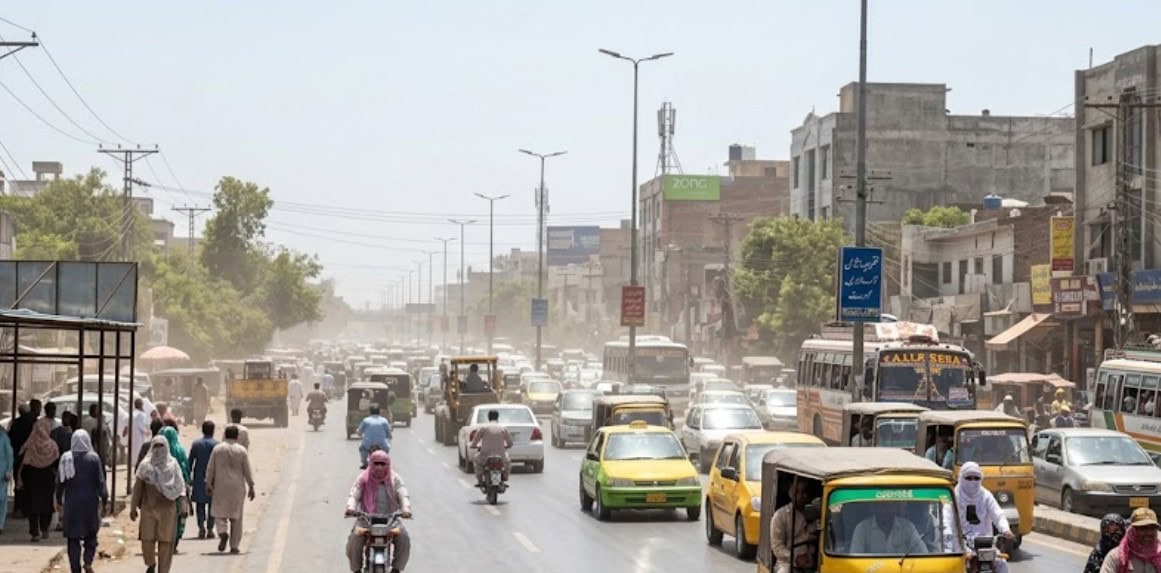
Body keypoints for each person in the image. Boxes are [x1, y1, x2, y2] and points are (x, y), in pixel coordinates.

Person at [344, 450, 412, 573]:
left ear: (388, 464)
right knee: (354, 540)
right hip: (366, 520)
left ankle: (396, 569)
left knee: (404, 538)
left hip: (391, 520)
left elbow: (403, 494)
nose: (379, 467)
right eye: (376, 463)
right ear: (371, 464)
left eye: (382, 464)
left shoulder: (394, 478)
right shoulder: (363, 478)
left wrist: (406, 509)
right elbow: (354, 494)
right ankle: (357, 570)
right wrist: (350, 508)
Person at [131, 436, 187, 573]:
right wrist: (133, 507)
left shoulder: (173, 465)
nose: (159, 449)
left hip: (168, 508)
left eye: (162, 446)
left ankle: (163, 570)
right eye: (156, 446)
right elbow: (137, 487)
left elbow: (180, 486)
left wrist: (184, 505)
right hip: (148, 507)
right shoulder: (145, 466)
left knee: (166, 541)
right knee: (147, 539)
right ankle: (150, 563)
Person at [56, 430, 107, 573]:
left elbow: (60, 482)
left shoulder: (66, 458)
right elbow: (101, 482)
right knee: (91, 534)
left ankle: (75, 568)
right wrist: (105, 500)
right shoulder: (94, 459)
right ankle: (88, 561)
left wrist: (58, 499)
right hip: (90, 504)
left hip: (72, 504)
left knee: (73, 537)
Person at [205, 425, 255, 554]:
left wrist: (208, 483)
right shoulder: (242, 450)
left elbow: (210, 468)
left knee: (218, 513)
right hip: (237, 487)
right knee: (236, 517)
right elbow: (247, 470)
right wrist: (251, 486)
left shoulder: (217, 449)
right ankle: (234, 546)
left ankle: (222, 533)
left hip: (221, 486)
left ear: (225, 435)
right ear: (237, 436)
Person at [956, 462, 1013, 573]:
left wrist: (1005, 529)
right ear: (961, 477)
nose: (972, 481)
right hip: (961, 544)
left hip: (985, 544)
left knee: (1002, 564)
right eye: (968, 478)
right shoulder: (955, 496)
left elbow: (998, 514)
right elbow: (947, 521)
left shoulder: (985, 495)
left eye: (976, 478)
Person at [17, 417, 59, 541]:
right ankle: (45, 529)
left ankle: (35, 533)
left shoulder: (30, 445)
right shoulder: (52, 445)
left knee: (33, 506)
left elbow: (23, 462)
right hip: (48, 479)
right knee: (46, 505)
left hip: (32, 479)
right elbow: (56, 462)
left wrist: (21, 479)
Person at [770, 478, 814, 573]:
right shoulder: (780, 516)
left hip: (813, 561)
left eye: (804, 492)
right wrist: (795, 558)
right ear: (790, 493)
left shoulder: (814, 512)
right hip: (787, 562)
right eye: (797, 492)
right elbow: (778, 547)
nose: (801, 496)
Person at [848, 501, 926, 555]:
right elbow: (854, 558)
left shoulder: (908, 527)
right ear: (874, 508)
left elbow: (923, 553)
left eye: (890, 505)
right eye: (881, 505)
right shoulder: (862, 528)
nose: (885, 510)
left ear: (896, 508)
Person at [1101, 507, 1161, 573]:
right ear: (1133, 531)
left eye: (1152, 528)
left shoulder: (1159, 555)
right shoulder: (1117, 557)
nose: (1149, 533)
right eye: (1143, 528)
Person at [160, 427, 191, 550]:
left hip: (162, 488)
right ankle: (175, 539)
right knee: (178, 513)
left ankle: (165, 539)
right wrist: (187, 483)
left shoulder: (157, 451)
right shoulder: (180, 450)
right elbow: (186, 467)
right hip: (178, 487)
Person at [188, 421, 219, 540]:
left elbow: (190, 462)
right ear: (213, 430)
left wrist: (188, 478)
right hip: (213, 479)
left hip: (199, 477)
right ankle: (210, 529)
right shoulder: (217, 445)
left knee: (200, 504)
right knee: (212, 504)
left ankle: (201, 527)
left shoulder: (196, 444)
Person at [9, 401, 39, 519]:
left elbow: (11, 439)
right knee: (29, 483)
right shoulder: (32, 423)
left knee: (18, 483)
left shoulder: (15, 424)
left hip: (18, 456)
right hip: (30, 457)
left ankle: (18, 508)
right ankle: (27, 508)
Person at [470, 409, 513, 485]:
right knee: (507, 462)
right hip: (501, 456)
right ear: (497, 417)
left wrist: (474, 446)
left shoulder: (483, 428)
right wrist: (506, 446)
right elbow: (510, 443)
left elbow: (475, 441)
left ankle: (479, 480)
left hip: (485, 456)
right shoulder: (503, 428)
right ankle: (505, 477)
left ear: (488, 417)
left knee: (477, 462)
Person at [125, 398, 153, 471]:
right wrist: (147, 432)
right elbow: (142, 426)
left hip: (133, 435)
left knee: (133, 450)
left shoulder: (132, 413)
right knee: (140, 450)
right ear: (141, 405)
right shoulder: (141, 414)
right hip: (139, 436)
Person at [0, 423, 14, 534]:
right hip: (2, 472)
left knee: (2, 499)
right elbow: (9, 454)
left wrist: (9, 470)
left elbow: (9, 455)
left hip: (2, 473)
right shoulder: (4, 438)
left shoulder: (3, 438)